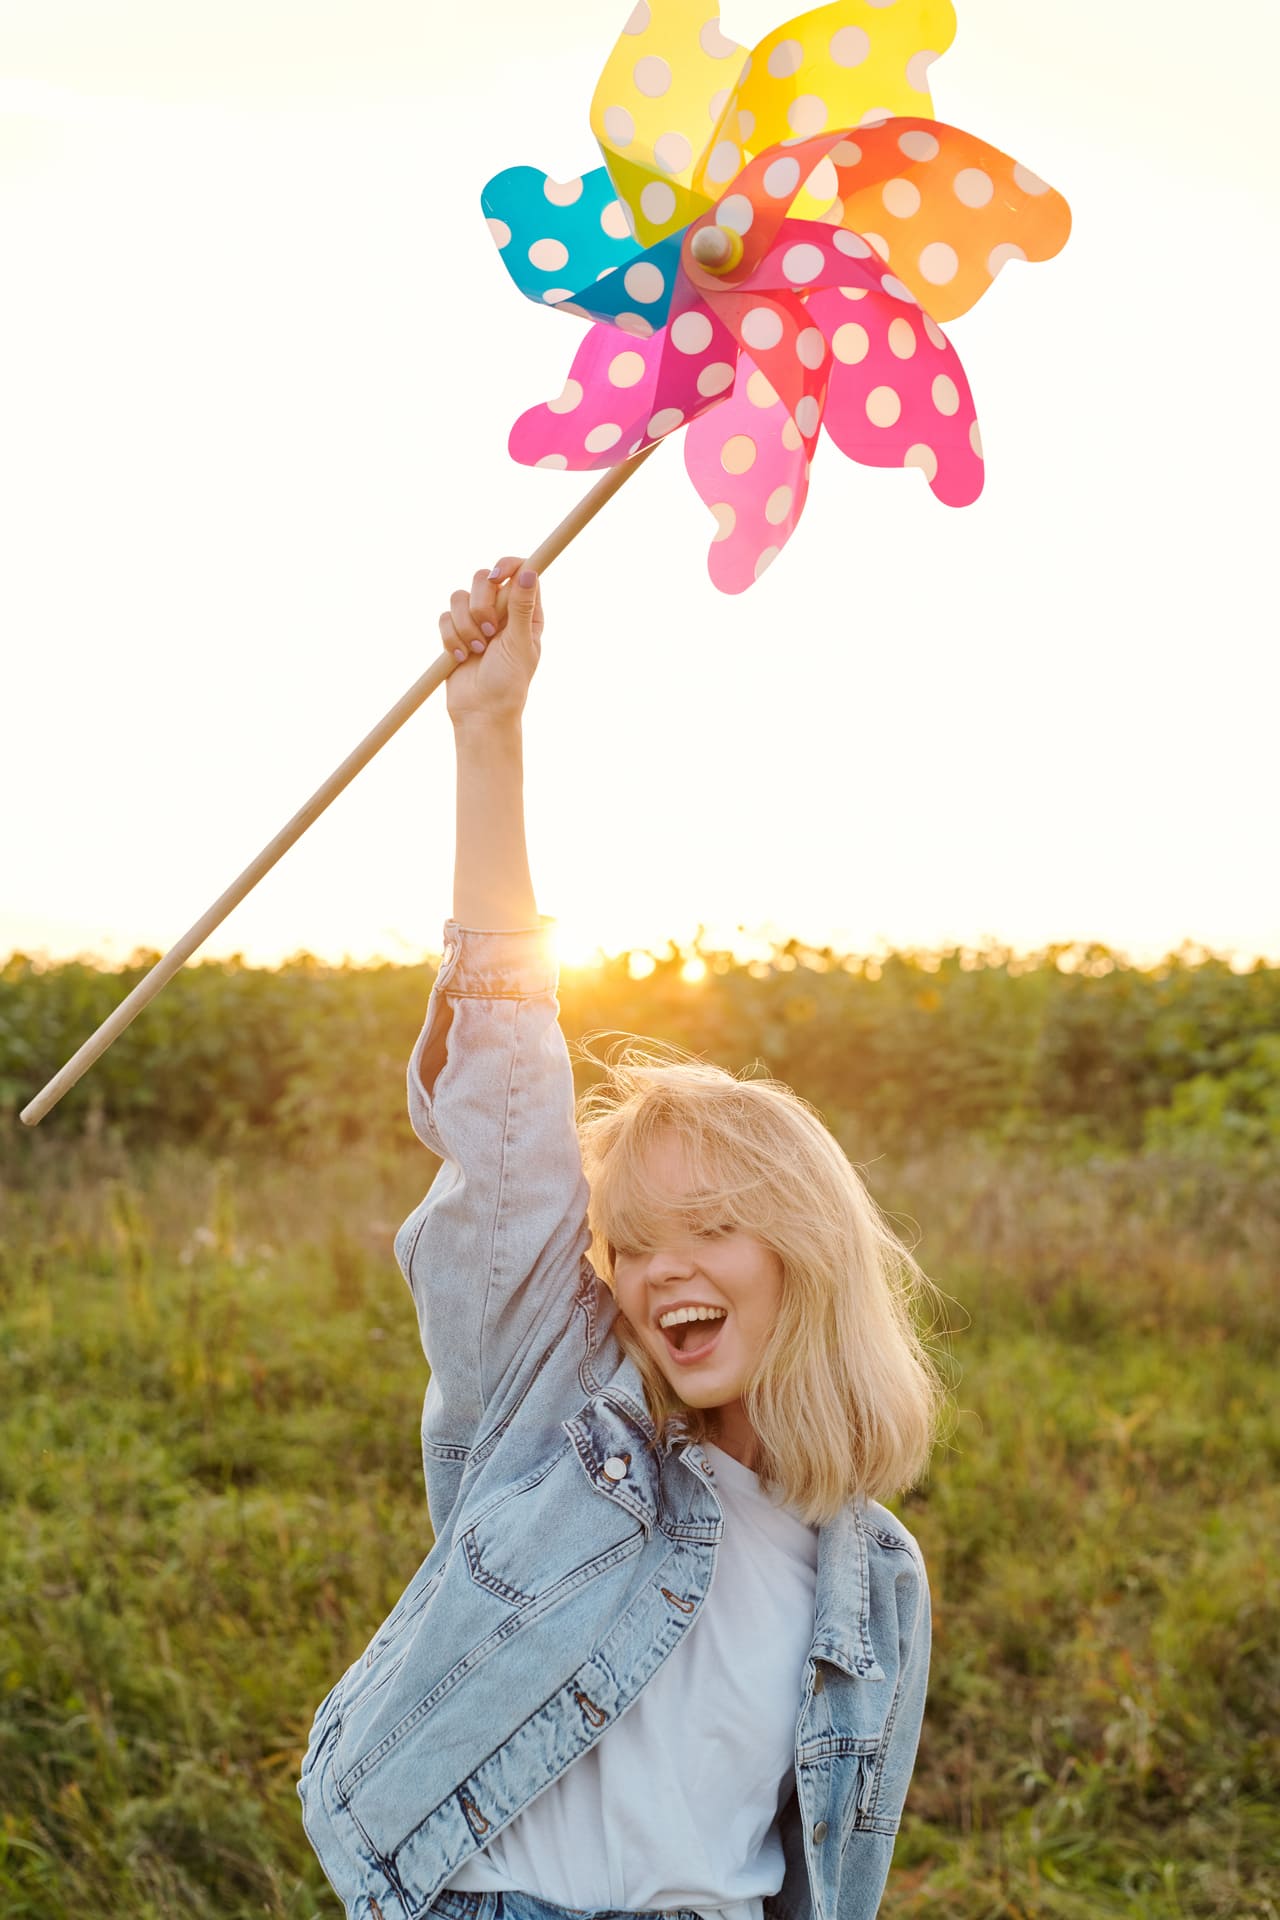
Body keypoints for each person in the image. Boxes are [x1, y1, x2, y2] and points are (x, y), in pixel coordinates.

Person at [297, 557, 944, 1920]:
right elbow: (517, 1129)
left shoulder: (875, 1573)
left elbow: (831, 1865)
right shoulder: (562, 1434)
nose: (662, 1275)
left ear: (807, 1258)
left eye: (714, 1229)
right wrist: (490, 734)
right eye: (636, 1243)